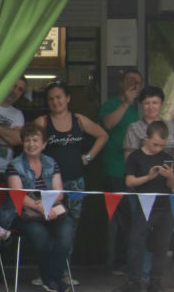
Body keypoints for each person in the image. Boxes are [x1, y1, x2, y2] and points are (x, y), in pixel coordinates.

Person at [33, 80, 107, 283]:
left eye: (59, 97)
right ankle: (47, 272)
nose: (55, 102)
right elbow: (30, 144)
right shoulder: (43, 122)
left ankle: (64, 272)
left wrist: (88, 157)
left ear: (67, 98)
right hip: (49, 184)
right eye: (51, 99)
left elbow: (102, 135)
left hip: (76, 182)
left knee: (70, 227)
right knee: (49, 225)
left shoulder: (79, 120)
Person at [0, 122, 74, 292]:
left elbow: (59, 193)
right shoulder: (15, 165)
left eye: (35, 140)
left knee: (67, 231)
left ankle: (51, 278)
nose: (31, 144)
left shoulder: (51, 162)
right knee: (41, 235)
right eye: (27, 140)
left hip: (50, 209)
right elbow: (17, 194)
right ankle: (51, 280)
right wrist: (40, 208)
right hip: (22, 214)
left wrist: (47, 206)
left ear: (44, 144)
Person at [116, 120, 174, 292]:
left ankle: (155, 281)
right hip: (143, 204)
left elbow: (172, 187)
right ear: (146, 138)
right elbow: (129, 181)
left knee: (161, 246)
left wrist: (170, 176)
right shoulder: (135, 157)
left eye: (161, 145)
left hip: (164, 206)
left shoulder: (167, 157)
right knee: (136, 243)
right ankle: (134, 281)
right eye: (155, 144)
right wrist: (148, 177)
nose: (158, 148)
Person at [99, 69, 141, 273]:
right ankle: (117, 262)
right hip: (115, 170)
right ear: (121, 84)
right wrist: (126, 102)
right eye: (129, 81)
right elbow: (107, 124)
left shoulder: (140, 109)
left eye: (137, 83)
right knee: (119, 219)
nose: (133, 85)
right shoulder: (112, 104)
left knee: (134, 217)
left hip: (136, 173)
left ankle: (129, 260)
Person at [123, 86, 174, 157]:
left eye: (155, 103)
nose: (151, 107)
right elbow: (129, 158)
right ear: (141, 105)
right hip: (144, 168)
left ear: (162, 105)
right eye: (147, 103)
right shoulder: (134, 128)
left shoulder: (171, 126)